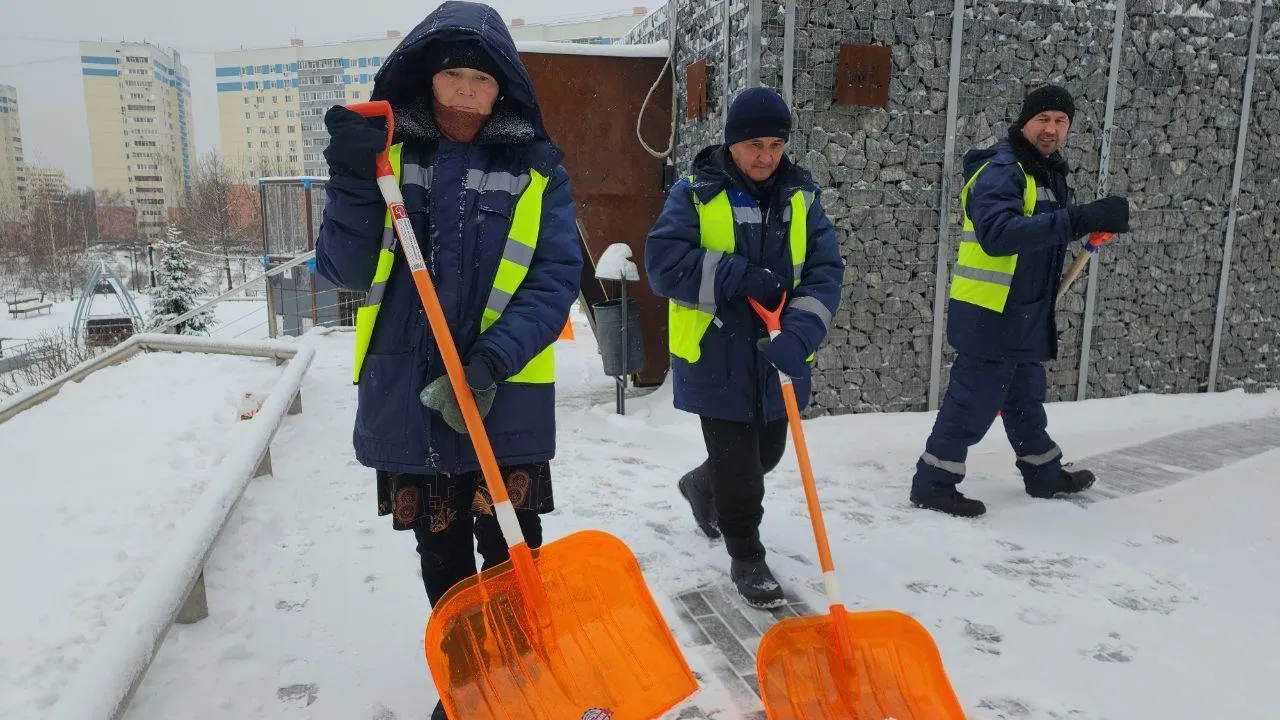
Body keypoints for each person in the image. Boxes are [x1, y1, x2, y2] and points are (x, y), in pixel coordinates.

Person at [313, 2, 581, 716]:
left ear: (506, 90)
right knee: (443, 560)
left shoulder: (537, 171)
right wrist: (347, 178)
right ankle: (469, 680)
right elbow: (343, 270)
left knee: (512, 548)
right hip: (412, 397)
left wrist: (493, 359)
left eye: (481, 80)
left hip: (504, 398)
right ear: (428, 80)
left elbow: (555, 276)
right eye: (452, 75)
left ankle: (514, 676)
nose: (466, 91)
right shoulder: (387, 162)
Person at [645, 87, 845, 608]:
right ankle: (746, 553)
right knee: (739, 468)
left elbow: (825, 274)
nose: (766, 156)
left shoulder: (802, 198)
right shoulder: (696, 191)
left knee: (768, 454)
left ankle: (699, 486)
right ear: (732, 142)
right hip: (717, 354)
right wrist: (739, 277)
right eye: (755, 143)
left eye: (776, 145)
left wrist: (800, 333)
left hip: (779, 352)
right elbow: (665, 264)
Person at [910, 84, 1130, 518]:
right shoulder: (1002, 170)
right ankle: (933, 482)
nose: (1052, 128)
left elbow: (1047, 231)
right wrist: (1080, 218)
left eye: (1061, 121)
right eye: (1043, 119)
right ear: (1025, 122)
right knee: (973, 400)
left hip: (1028, 308)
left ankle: (1043, 472)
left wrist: (1086, 226)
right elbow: (999, 235)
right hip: (991, 311)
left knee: (1026, 396)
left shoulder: (1046, 173)